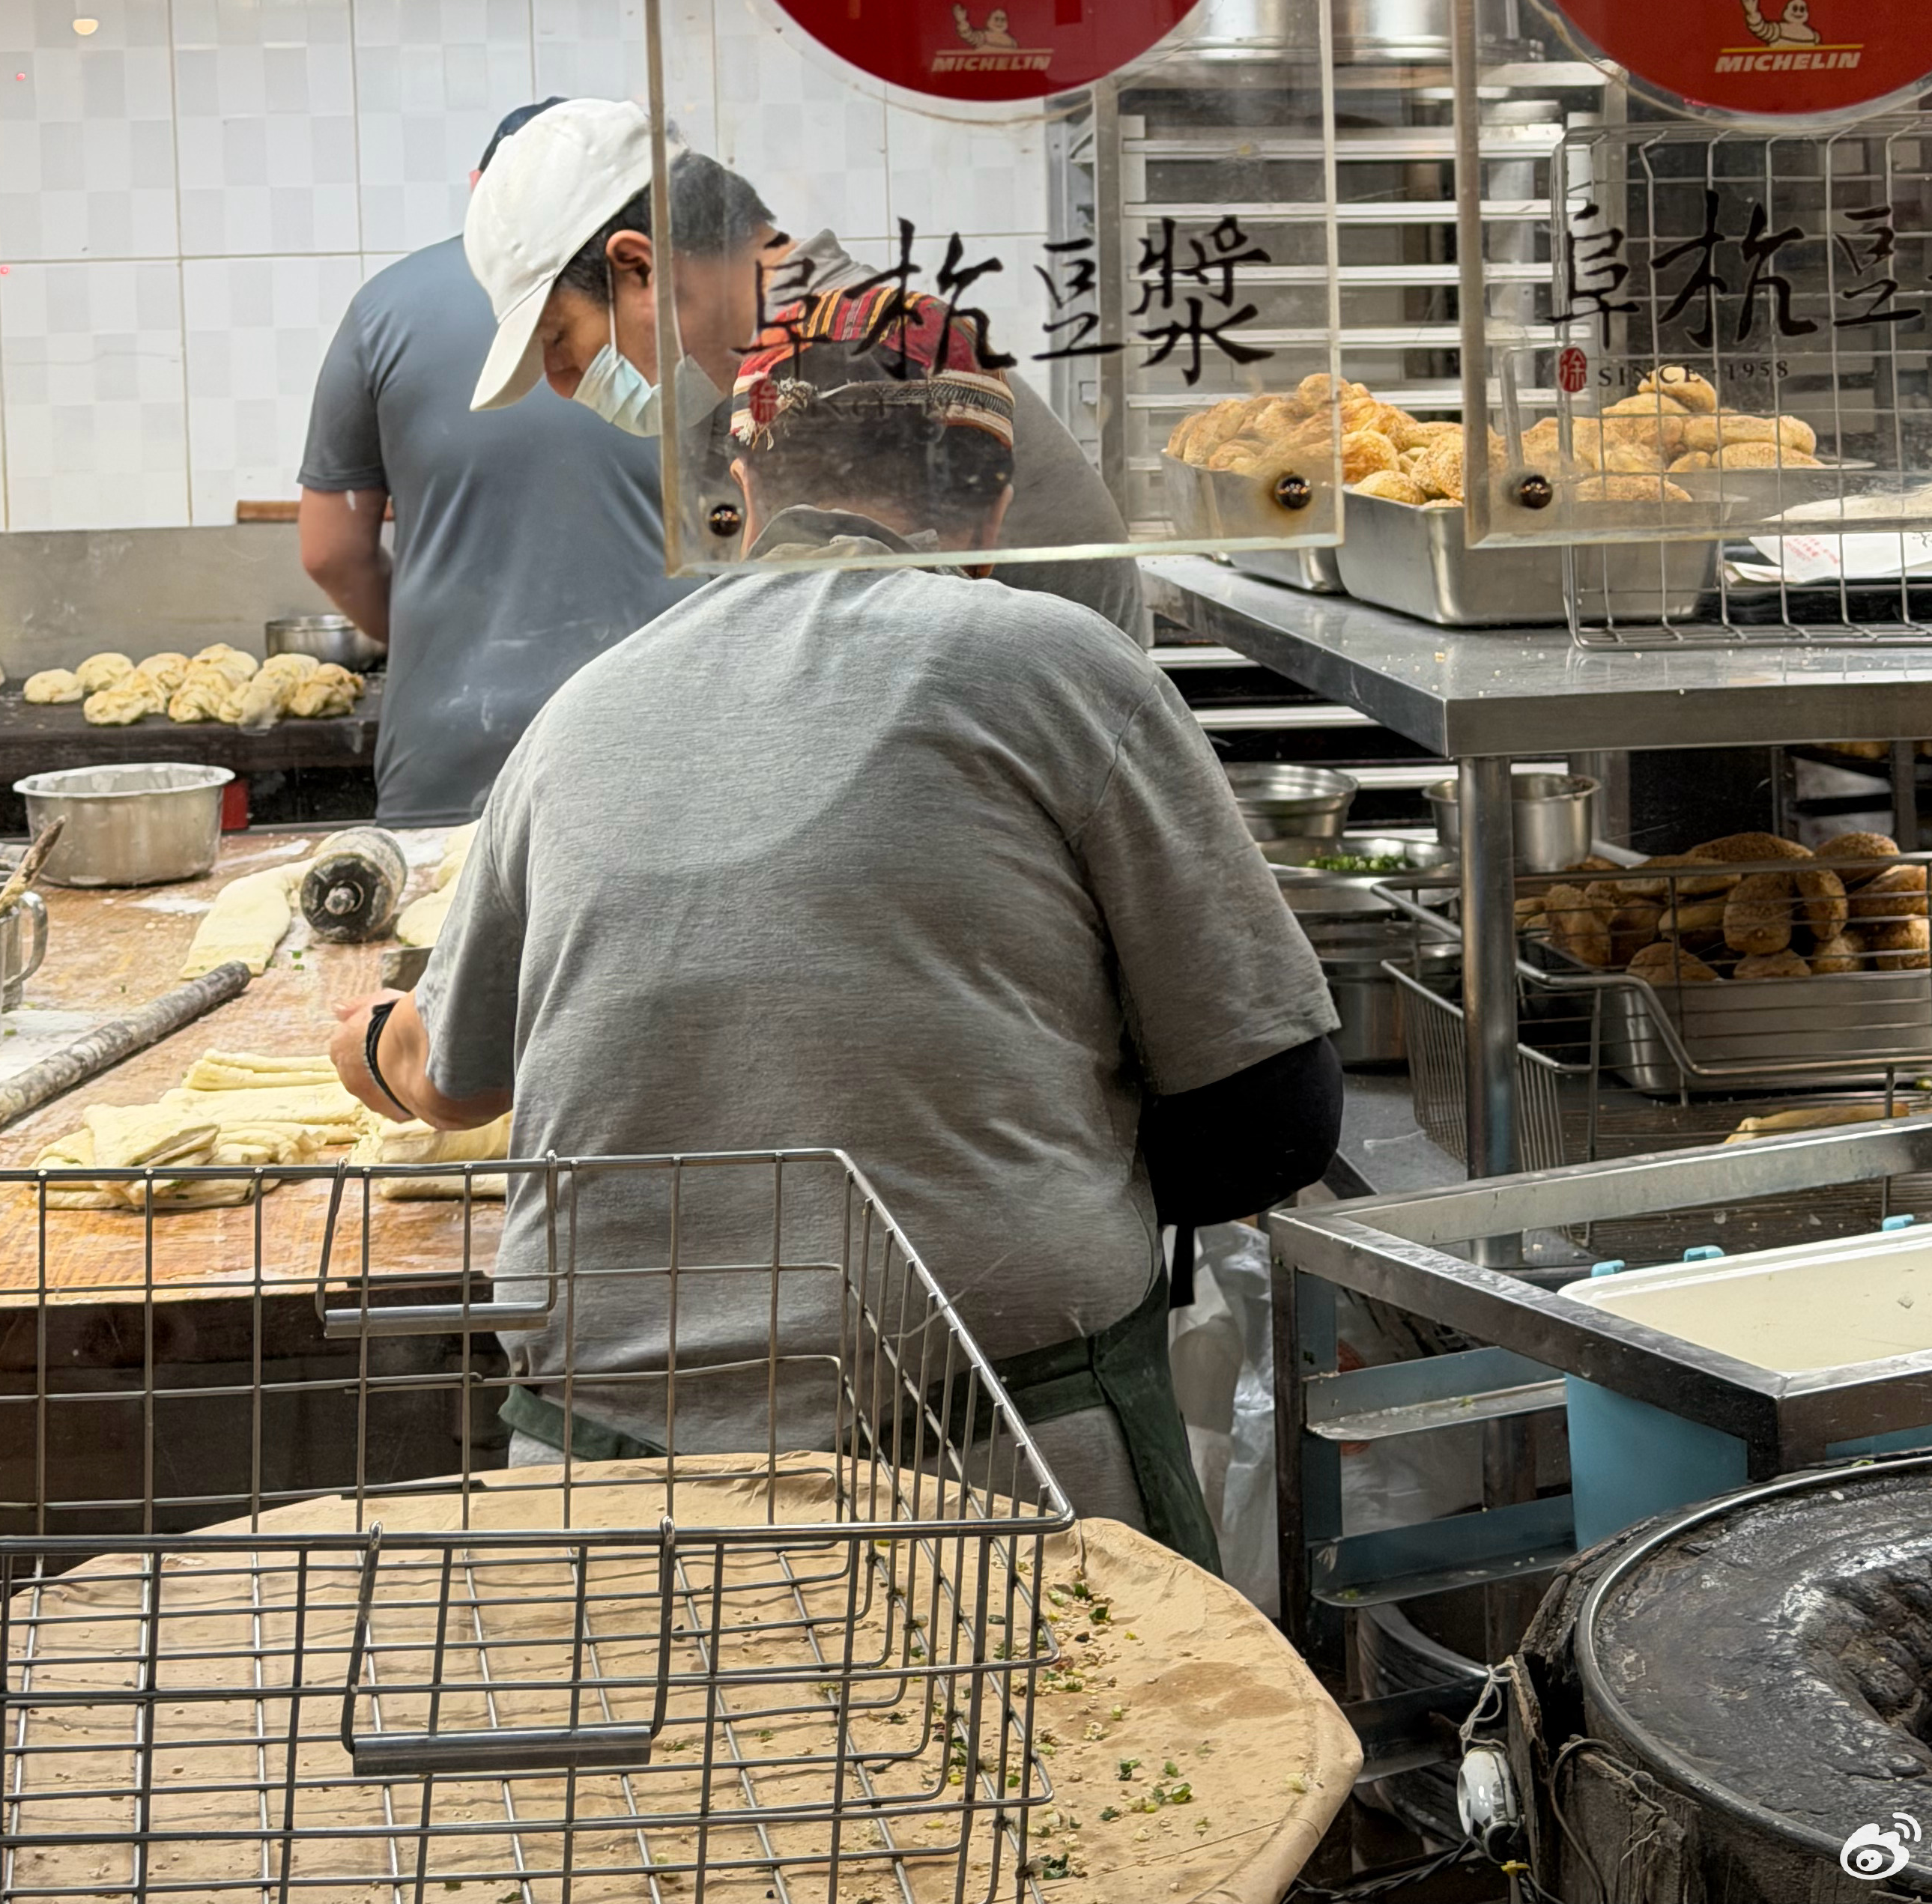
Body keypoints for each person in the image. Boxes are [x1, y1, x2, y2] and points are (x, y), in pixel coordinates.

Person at [331, 294, 1341, 1562]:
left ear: (743, 493)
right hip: (994, 1479)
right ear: (990, 512)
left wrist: (369, 1041)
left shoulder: (578, 713)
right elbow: (1273, 1119)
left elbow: (454, 1079)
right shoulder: (1061, 664)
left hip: (601, 1515)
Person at [461, 94, 1149, 645]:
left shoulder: (854, 367)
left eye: (558, 339)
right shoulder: (742, 384)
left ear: (641, 267)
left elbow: (866, 676)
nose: (560, 382)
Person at [297, 100, 676, 822]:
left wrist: (449, 646)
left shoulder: (382, 309)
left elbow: (329, 552)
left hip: (453, 751)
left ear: (480, 192)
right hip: (658, 738)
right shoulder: (672, 304)